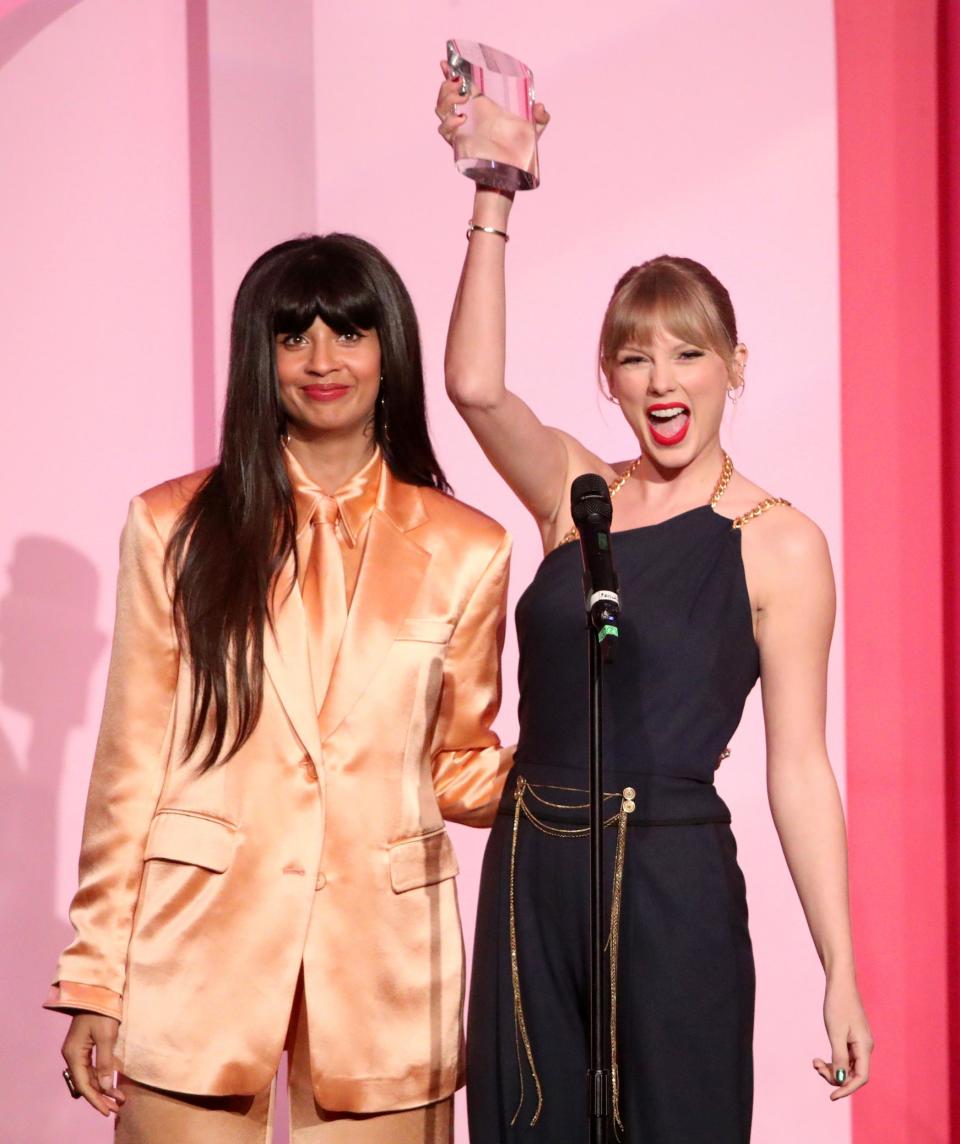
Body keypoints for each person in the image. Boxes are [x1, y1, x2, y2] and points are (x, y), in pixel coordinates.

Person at [435, 70, 873, 1142]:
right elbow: (475, 388)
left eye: (687, 353)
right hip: (532, 869)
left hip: (672, 877)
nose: (662, 379)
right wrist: (496, 192)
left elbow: (799, 766)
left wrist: (842, 969)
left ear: (734, 366)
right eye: (635, 357)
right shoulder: (578, 496)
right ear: (611, 377)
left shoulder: (778, 540)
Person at [45, 233, 512, 1142]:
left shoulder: (470, 548)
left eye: (350, 333)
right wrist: (95, 975)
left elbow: (456, 765)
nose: (323, 361)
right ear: (260, 357)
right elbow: (130, 763)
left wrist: (589, 774)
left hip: (387, 976)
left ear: (392, 352)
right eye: (293, 337)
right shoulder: (173, 526)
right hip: (196, 961)